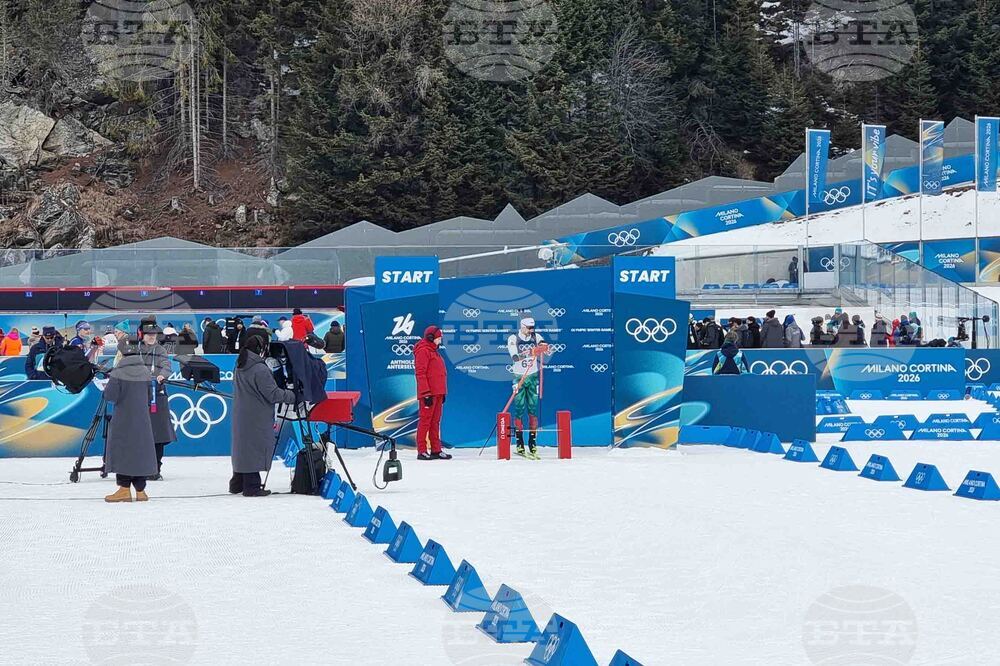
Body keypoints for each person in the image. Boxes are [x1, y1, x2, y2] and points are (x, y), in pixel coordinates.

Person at [230, 336, 297, 496]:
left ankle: (237, 482)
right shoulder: (260, 369)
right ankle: (251, 486)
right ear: (261, 349)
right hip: (257, 415)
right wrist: (292, 395)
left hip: (241, 413)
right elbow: (272, 394)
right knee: (255, 448)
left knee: (243, 448)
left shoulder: (240, 365)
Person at [101, 351, 159, 502]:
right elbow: (150, 396)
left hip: (123, 419)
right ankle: (140, 490)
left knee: (123, 451)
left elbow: (110, 396)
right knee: (140, 451)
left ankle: (124, 489)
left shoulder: (118, 372)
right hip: (143, 419)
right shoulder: (146, 372)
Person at [506, 317, 553, 459]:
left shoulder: (536, 336)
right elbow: (514, 357)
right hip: (520, 377)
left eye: (533, 328)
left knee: (533, 410)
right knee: (519, 410)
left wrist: (545, 347)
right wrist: (530, 352)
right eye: (529, 328)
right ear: (522, 326)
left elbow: (547, 350)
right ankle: (520, 444)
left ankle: (532, 445)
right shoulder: (513, 338)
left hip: (533, 377)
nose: (531, 330)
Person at [136, 325, 176, 480]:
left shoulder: (160, 350)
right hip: (138, 396)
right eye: (148, 334)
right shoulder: (135, 350)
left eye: (153, 334)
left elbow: (166, 366)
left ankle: (155, 467)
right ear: (142, 335)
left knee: (158, 434)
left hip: (156, 397)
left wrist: (162, 375)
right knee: (140, 434)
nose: (151, 337)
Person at [414, 325, 451, 461]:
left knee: (435, 422)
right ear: (431, 337)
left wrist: (442, 392)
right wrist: (425, 393)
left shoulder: (434, 351)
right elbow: (420, 373)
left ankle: (436, 449)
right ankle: (422, 450)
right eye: (438, 337)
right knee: (425, 421)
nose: (440, 339)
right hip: (429, 394)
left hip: (438, 393)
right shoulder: (423, 351)